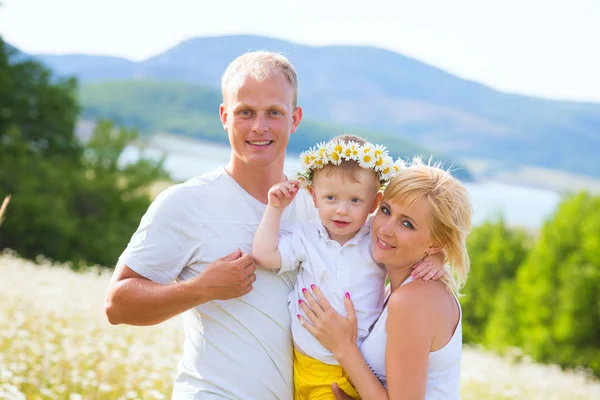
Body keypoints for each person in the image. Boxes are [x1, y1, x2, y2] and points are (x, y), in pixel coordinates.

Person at [104, 51, 318, 399]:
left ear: (294, 119)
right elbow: (117, 304)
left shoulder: (319, 206)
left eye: (273, 113)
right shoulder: (186, 203)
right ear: (224, 116)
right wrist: (201, 288)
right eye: (245, 112)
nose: (259, 127)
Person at [252, 137, 446, 400]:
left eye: (355, 200)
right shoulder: (306, 237)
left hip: (356, 367)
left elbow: (416, 252)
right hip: (309, 361)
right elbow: (264, 255)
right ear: (313, 197)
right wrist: (274, 208)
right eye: (330, 197)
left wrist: (438, 258)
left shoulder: (375, 239)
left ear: (374, 203)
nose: (341, 210)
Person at [297, 158, 473, 400]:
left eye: (407, 224)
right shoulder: (400, 291)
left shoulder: (413, 300)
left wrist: (343, 347)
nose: (385, 229)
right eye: (386, 210)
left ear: (435, 244)